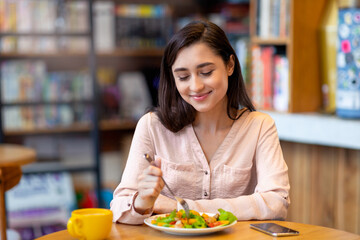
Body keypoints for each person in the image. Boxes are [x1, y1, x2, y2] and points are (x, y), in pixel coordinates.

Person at [110, 20, 290, 224]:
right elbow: (119, 208)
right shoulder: (152, 126)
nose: (195, 86)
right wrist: (142, 201)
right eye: (183, 77)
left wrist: (182, 208)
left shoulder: (259, 127)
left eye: (206, 73)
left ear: (230, 65)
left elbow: (276, 203)